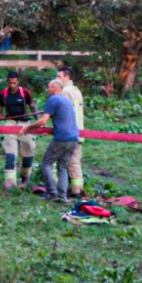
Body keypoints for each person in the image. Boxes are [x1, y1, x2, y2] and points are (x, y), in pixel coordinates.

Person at [21, 79, 79, 203]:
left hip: (62, 138)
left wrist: (28, 127)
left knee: (46, 163)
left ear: (54, 87)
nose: (47, 90)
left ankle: (52, 193)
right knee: (62, 166)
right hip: (74, 138)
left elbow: (43, 121)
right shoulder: (66, 100)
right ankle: (62, 196)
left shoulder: (53, 99)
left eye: (49, 87)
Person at [0, 72, 38, 190]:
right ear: (7, 82)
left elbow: (33, 107)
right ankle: (10, 184)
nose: (12, 85)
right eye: (10, 83)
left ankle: (25, 177)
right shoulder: (3, 94)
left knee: (28, 155)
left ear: (18, 82)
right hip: (10, 124)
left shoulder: (25, 93)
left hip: (25, 125)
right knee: (10, 155)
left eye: (14, 83)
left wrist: (39, 123)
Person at [57, 65, 85, 197]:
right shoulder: (76, 90)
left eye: (59, 76)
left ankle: (64, 190)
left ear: (66, 77)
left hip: (68, 132)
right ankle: (77, 189)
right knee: (75, 161)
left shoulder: (65, 91)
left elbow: (64, 111)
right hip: (79, 131)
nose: (57, 79)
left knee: (63, 161)